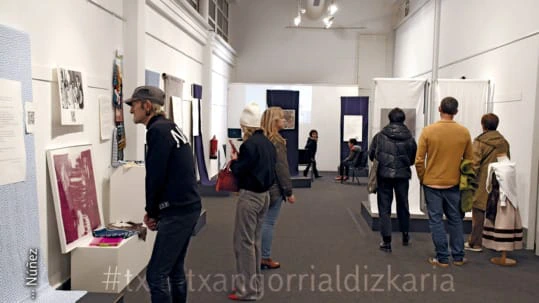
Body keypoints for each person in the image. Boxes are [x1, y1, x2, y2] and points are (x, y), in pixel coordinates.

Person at [126, 86, 201, 303]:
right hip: (188, 206)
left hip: (178, 211)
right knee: (174, 270)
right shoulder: (170, 127)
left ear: (147, 105)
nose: (132, 111)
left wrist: (152, 212)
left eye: (134, 105)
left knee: (156, 275)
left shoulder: (157, 131)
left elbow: (155, 176)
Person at [415, 96, 472, 267]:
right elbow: (469, 160)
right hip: (453, 183)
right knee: (455, 219)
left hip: (432, 183)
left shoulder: (428, 131)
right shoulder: (464, 132)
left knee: (436, 220)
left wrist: (423, 177)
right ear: (456, 112)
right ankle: (458, 256)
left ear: (440, 109)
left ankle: (442, 257)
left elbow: (419, 160)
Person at [228, 103, 276, 301]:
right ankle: (254, 287)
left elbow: (241, 170)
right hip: (264, 196)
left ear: (246, 127)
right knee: (254, 243)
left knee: (244, 244)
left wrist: (234, 160)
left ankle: (247, 291)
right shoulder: (268, 143)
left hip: (251, 197)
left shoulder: (249, 145)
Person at [368, 108, 417, 253]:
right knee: (403, 205)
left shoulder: (380, 136)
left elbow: (372, 155)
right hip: (402, 176)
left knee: (384, 208)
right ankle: (405, 235)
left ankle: (386, 241)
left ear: (389, 119)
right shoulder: (410, 137)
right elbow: (413, 159)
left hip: (384, 175)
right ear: (403, 119)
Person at [466, 113, 510, 252]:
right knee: (496, 211)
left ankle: (476, 243)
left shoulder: (480, 142)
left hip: (482, 182)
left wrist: (468, 182)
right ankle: (496, 243)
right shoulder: (504, 142)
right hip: (499, 181)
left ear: (483, 125)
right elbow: (507, 162)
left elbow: (474, 165)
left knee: (478, 212)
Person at [260, 107, 296, 270]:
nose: (284, 121)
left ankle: (257, 255)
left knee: (260, 224)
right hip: (274, 189)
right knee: (269, 223)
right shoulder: (278, 142)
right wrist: (289, 191)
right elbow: (281, 168)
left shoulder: (260, 139)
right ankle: (265, 257)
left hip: (260, 188)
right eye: (281, 118)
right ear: (275, 121)